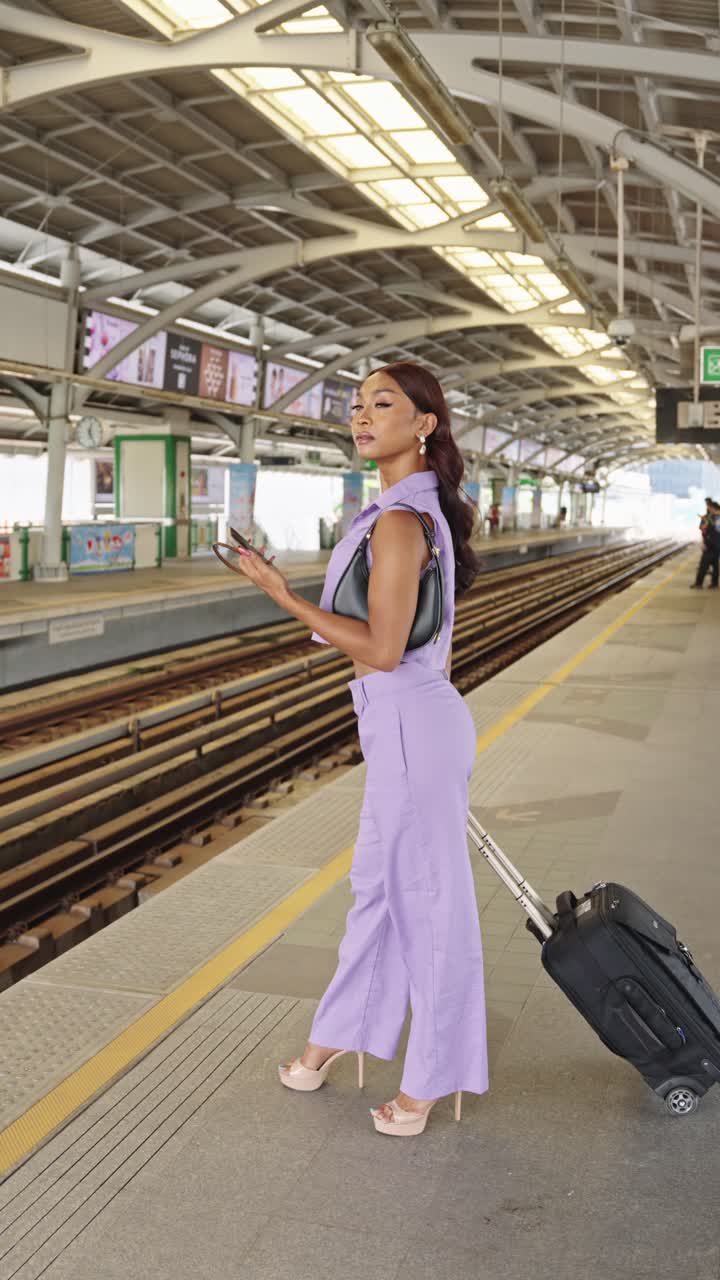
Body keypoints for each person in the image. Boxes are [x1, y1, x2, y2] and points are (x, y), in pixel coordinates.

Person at [228, 361, 488, 1137]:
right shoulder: (397, 513)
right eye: (356, 405)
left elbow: (380, 649)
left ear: (424, 425)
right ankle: (338, 1038)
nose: (361, 417)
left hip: (410, 724)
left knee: (431, 904)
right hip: (402, 725)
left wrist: (282, 595)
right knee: (377, 892)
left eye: (383, 405)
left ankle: (433, 1080)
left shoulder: (401, 523)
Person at [691, 497, 720, 590]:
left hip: (712, 545)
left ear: (713, 508)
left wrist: (707, 523)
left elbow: (707, 530)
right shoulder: (709, 518)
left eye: (709, 508)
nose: (708, 510)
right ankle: (714, 584)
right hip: (713, 545)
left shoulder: (712, 518)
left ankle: (699, 583)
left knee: (704, 565)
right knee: (715, 565)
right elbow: (704, 530)